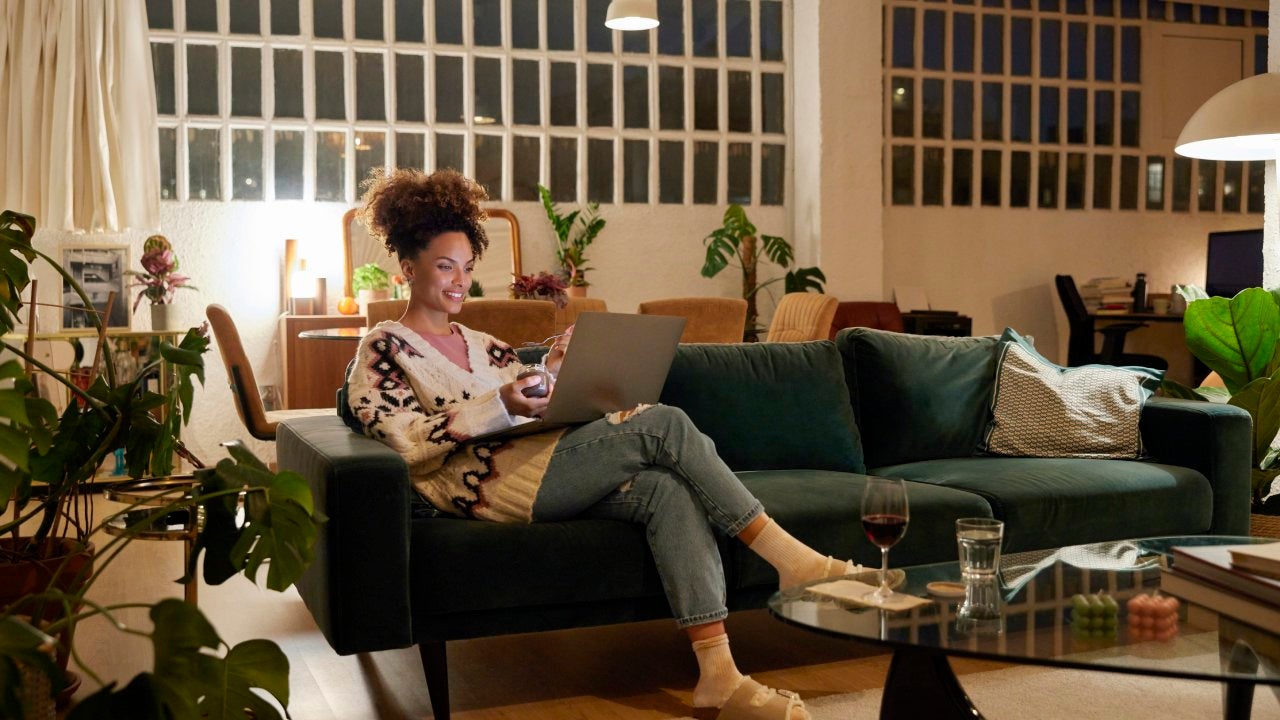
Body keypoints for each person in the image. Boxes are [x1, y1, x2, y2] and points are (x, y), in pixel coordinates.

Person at [347, 168, 858, 720]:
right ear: (408, 268)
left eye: (468, 267)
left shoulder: (486, 345)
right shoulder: (383, 347)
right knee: (662, 424)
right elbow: (400, 437)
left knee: (665, 492)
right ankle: (793, 561)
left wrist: (559, 372)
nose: (460, 281)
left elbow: (532, 400)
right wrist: (501, 406)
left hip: (545, 464)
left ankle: (719, 676)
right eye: (446, 266)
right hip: (491, 488)